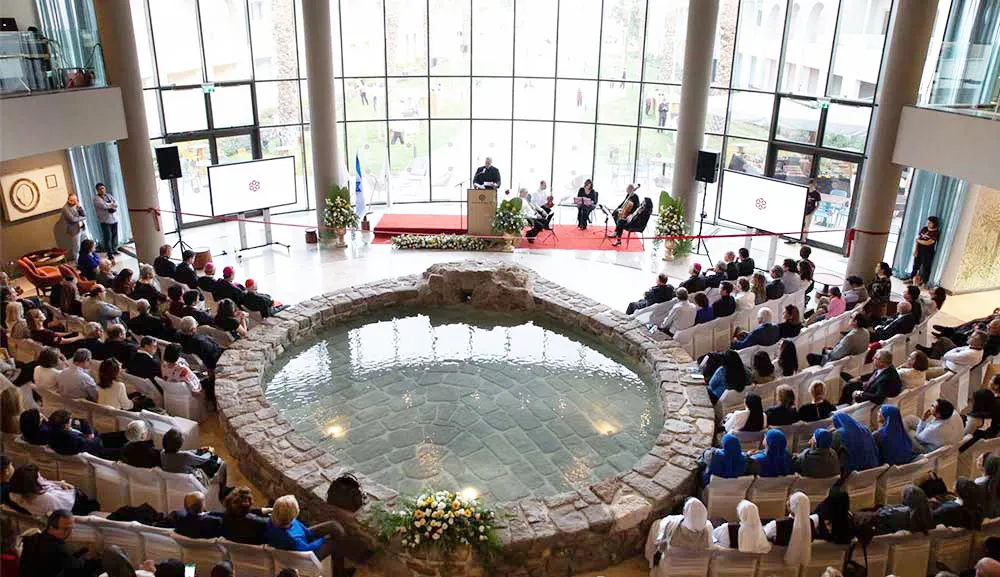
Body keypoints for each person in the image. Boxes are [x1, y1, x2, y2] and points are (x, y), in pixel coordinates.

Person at [267, 495, 350, 573]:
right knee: (336, 541)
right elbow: (308, 548)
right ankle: (339, 572)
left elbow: (303, 529)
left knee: (334, 526)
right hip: (306, 556)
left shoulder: (275, 520)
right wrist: (323, 539)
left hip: (303, 538)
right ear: (294, 514)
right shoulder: (292, 539)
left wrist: (310, 534)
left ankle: (339, 568)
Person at [19, 509, 101, 577]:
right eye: (65, 529)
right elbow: (79, 569)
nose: (69, 532)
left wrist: (81, 553)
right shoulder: (57, 548)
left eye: (71, 528)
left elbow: (66, 561)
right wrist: (94, 559)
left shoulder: (35, 537)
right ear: (51, 527)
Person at [645, 497, 713, 567]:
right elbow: (711, 546)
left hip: (673, 567)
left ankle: (652, 559)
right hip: (697, 567)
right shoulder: (708, 528)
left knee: (656, 524)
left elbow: (660, 545)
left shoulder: (671, 526)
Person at [9, 465, 99, 516]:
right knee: (94, 504)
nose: (42, 477)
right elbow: (65, 507)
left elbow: (45, 482)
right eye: (39, 476)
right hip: (75, 507)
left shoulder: (15, 494)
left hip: (62, 501)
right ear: (32, 484)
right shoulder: (47, 498)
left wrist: (59, 483)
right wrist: (70, 487)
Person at [763, 492, 812, 566]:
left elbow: (763, 534)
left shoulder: (776, 525)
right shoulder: (811, 524)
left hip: (775, 562)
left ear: (790, 506)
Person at [907, 216, 940, 287]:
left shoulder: (936, 232)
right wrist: (916, 250)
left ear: (934, 224)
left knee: (926, 267)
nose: (928, 224)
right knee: (916, 265)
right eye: (928, 222)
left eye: (930, 223)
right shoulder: (924, 229)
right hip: (919, 250)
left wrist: (919, 240)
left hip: (928, 252)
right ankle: (911, 278)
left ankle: (924, 282)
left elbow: (928, 242)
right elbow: (918, 240)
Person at [93, 182, 119, 255]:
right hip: (105, 220)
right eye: (100, 189)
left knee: (114, 235)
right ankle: (109, 253)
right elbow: (103, 206)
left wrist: (111, 205)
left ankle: (114, 249)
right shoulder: (96, 198)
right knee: (108, 237)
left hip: (114, 219)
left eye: (103, 188)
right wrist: (111, 204)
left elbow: (116, 203)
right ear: (97, 190)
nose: (102, 190)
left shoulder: (109, 195)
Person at [60, 193, 87, 262]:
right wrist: (82, 218)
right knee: (77, 247)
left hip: (82, 227)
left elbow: (84, 215)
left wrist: (80, 208)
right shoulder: (65, 208)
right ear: (68, 200)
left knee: (85, 244)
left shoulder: (77, 205)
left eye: (76, 200)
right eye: (73, 200)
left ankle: (85, 259)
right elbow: (72, 219)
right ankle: (77, 262)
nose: (75, 202)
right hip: (74, 230)